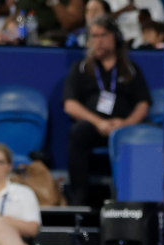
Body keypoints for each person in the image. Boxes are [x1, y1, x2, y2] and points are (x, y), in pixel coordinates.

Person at [63, 15, 150, 206]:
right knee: (77, 132)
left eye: (103, 35)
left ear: (115, 38)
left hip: (125, 128)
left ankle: (137, 201)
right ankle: (79, 198)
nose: (98, 41)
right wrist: (99, 122)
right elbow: (70, 104)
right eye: (94, 36)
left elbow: (143, 104)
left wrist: (125, 124)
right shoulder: (81, 68)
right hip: (94, 127)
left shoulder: (130, 69)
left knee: (147, 134)